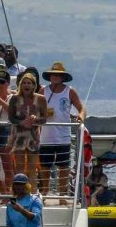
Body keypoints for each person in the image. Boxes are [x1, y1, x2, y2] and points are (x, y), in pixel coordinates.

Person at [37, 62, 86, 197]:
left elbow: (81, 108)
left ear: (63, 77)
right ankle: (45, 193)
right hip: (45, 137)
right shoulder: (43, 91)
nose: (55, 77)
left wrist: (81, 117)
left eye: (58, 75)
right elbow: (35, 110)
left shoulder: (69, 91)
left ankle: (62, 195)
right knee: (45, 167)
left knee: (63, 168)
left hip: (63, 136)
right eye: (53, 74)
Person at [7, 73, 48, 186]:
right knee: (19, 167)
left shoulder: (41, 99)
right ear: (20, 85)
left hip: (33, 137)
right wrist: (20, 122)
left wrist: (35, 120)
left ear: (34, 85)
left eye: (29, 83)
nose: (26, 85)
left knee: (32, 167)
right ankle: (20, 191)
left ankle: (32, 192)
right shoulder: (14, 98)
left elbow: (44, 118)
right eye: (24, 83)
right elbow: (11, 117)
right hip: (19, 136)